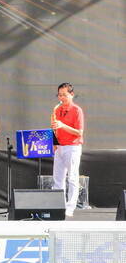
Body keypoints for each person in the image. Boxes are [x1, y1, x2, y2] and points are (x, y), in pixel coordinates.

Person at [51, 82, 84, 217]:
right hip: (59, 146)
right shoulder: (57, 110)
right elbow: (55, 129)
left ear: (72, 94)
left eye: (64, 95)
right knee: (58, 178)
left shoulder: (77, 110)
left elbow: (79, 132)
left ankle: (70, 207)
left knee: (72, 178)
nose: (61, 98)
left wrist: (62, 125)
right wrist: (54, 141)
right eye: (59, 95)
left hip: (73, 147)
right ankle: (59, 206)